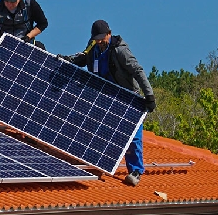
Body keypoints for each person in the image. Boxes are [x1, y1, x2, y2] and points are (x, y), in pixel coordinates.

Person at [64, 20, 157, 186]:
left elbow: (138, 71)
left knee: (132, 137)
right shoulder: (93, 46)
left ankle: (135, 171)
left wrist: (149, 96)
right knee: (99, 131)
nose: (100, 41)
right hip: (104, 98)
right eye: (96, 38)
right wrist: (68, 60)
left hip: (126, 97)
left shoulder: (120, 51)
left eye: (102, 38)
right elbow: (84, 58)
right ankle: (99, 162)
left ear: (109, 34)